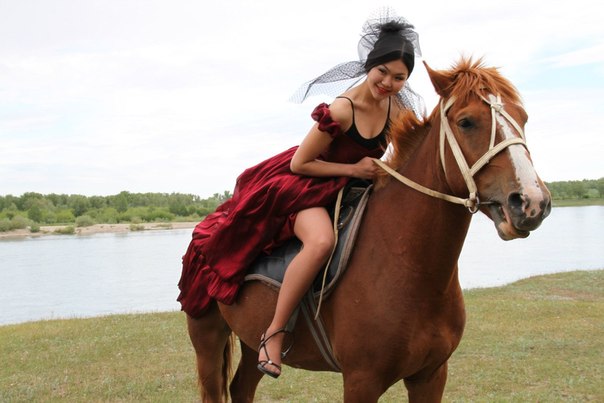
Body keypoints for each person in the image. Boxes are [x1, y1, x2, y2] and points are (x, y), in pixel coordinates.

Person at [177, 8, 423, 379]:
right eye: (382, 72)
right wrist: (354, 170)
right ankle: (273, 334)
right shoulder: (342, 109)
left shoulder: (398, 108)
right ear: (369, 66)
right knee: (321, 242)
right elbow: (300, 163)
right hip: (306, 186)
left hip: (354, 187)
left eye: (399, 77)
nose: (388, 82)